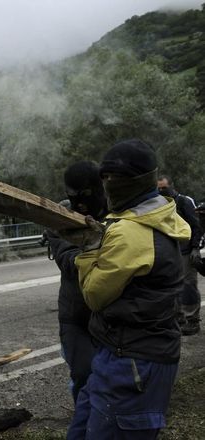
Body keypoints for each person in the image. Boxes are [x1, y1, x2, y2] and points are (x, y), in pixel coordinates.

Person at [66, 140, 190, 439]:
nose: (108, 186)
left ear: (137, 181)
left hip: (134, 362)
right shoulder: (156, 213)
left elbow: (94, 296)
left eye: (114, 179)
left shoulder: (130, 231)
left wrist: (86, 248)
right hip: (118, 352)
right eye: (104, 178)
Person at [48, 161, 107, 403]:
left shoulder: (118, 214)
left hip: (109, 314)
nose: (80, 204)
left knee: (110, 377)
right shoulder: (59, 218)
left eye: (86, 195)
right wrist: (94, 247)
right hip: (75, 316)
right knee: (83, 375)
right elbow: (67, 260)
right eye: (73, 196)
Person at [157, 175, 203, 335]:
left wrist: (196, 248)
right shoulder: (160, 205)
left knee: (188, 286)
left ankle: (192, 321)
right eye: (159, 188)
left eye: (164, 188)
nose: (162, 191)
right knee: (172, 287)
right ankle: (179, 319)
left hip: (186, 252)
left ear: (172, 185)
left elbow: (196, 226)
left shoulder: (184, 201)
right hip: (170, 253)